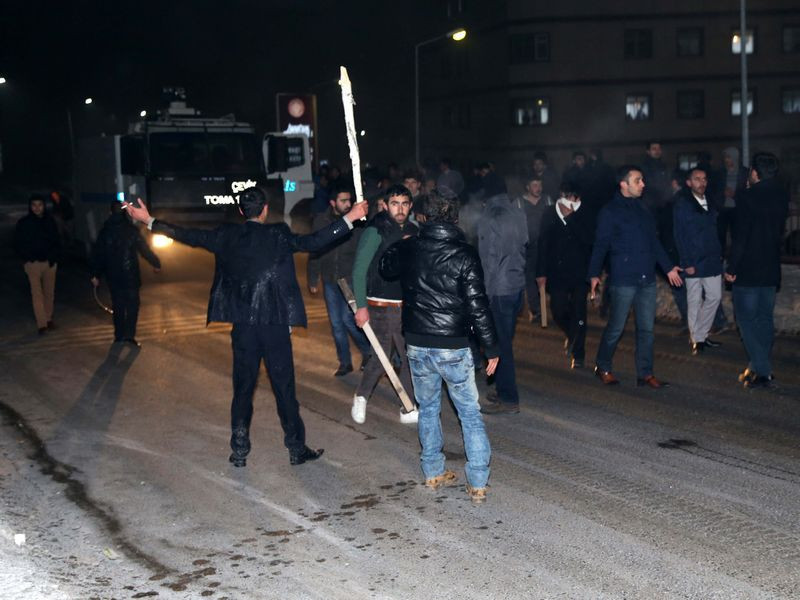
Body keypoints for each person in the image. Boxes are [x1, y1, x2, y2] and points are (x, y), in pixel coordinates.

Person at [124, 187, 368, 467]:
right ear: (264, 209)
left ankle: (239, 448)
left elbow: (187, 235)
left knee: (243, 388)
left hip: (243, 326)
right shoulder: (278, 234)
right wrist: (349, 218)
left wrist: (149, 220)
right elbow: (315, 242)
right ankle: (295, 447)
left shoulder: (226, 235)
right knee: (284, 389)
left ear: (241, 211)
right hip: (274, 325)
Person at [379, 188, 498, 504]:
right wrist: (492, 347)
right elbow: (478, 305)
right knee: (469, 413)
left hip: (417, 342)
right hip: (453, 345)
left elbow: (385, 267)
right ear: (455, 217)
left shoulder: (411, 247)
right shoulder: (465, 253)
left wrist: (400, 244)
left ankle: (432, 471)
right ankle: (478, 482)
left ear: (423, 216)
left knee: (428, 408)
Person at [588, 165, 683, 388]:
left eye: (642, 180)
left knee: (647, 329)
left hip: (646, 278)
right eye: (638, 180)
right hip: (623, 278)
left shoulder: (643, 209)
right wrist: (593, 274)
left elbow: (654, 242)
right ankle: (603, 366)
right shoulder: (610, 212)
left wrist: (668, 268)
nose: (643, 184)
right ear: (624, 184)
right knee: (616, 327)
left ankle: (645, 373)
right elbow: (600, 245)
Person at [351, 184, 419, 424]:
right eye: (394, 203)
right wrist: (360, 306)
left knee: (411, 356)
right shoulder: (376, 230)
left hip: (407, 305)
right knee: (381, 355)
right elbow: (359, 270)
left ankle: (408, 406)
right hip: (380, 304)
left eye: (404, 204)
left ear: (410, 206)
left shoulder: (414, 230)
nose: (399, 209)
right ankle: (361, 396)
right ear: (386, 205)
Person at [725, 152, 789, 388]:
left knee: (745, 319)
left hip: (748, 268)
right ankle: (756, 366)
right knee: (764, 319)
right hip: (771, 267)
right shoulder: (782, 195)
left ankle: (763, 369)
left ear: (755, 172)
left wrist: (732, 268)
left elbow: (741, 237)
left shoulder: (747, 197)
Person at [307, 183, 371, 376]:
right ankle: (345, 362)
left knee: (348, 319)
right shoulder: (321, 221)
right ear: (333, 202)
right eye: (343, 201)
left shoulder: (357, 223)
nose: (347, 204)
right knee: (336, 323)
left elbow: (363, 253)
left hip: (349, 279)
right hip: (329, 280)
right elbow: (315, 250)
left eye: (349, 200)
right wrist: (312, 277)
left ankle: (368, 352)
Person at [477, 192, 528, 413]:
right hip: (515, 285)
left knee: (500, 346)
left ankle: (509, 399)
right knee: (504, 341)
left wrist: (484, 294)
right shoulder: (518, 213)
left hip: (499, 289)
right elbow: (525, 244)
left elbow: (489, 259)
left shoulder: (490, 218)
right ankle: (502, 389)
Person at [536, 183, 594, 369]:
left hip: (580, 272)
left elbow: (589, 240)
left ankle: (578, 354)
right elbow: (543, 244)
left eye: (576, 198)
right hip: (557, 272)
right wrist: (540, 272)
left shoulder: (585, 213)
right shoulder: (549, 212)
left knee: (579, 312)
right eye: (570, 197)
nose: (573, 202)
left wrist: (572, 219)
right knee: (558, 310)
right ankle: (572, 334)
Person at [90, 201, 162, 346]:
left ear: (110, 213)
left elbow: (98, 254)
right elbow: (144, 250)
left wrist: (95, 274)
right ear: (125, 214)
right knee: (132, 305)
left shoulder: (105, 231)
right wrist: (156, 263)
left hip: (113, 275)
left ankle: (118, 336)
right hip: (131, 275)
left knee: (118, 305)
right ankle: (129, 335)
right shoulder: (132, 230)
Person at [673, 167, 723, 355]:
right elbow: (679, 235)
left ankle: (701, 334)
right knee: (694, 299)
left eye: (704, 179)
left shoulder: (710, 200)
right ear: (689, 182)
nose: (701, 182)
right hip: (693, 259)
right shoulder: (683, 204)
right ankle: (697, 339)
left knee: (714, 296)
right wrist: (686, 262)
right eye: (697, 179)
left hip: (711, 258)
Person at [14, 194, 61, 334]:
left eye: (39, 205)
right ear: (30, 206)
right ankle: (42, 324)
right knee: (36, 293)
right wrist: (27, 258)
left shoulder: (50, 221)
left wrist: (54, 257)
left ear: (44, 206)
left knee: (49, 292)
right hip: (32, 263)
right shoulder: (24, 223)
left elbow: (56, 240)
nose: (37, 208)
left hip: (49, 262)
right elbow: (18, 243)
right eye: (34, 205)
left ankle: (48, 318)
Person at [516, 174, 552, 323]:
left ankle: (549, 307)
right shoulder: (519, 203)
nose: (538, 188)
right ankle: (536, 310)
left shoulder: (548, 200)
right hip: (527, 248)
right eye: (535, 185)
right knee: (529, 279)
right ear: (528, 187)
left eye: (540, 185)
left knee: (546, 279)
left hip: (546, 247)